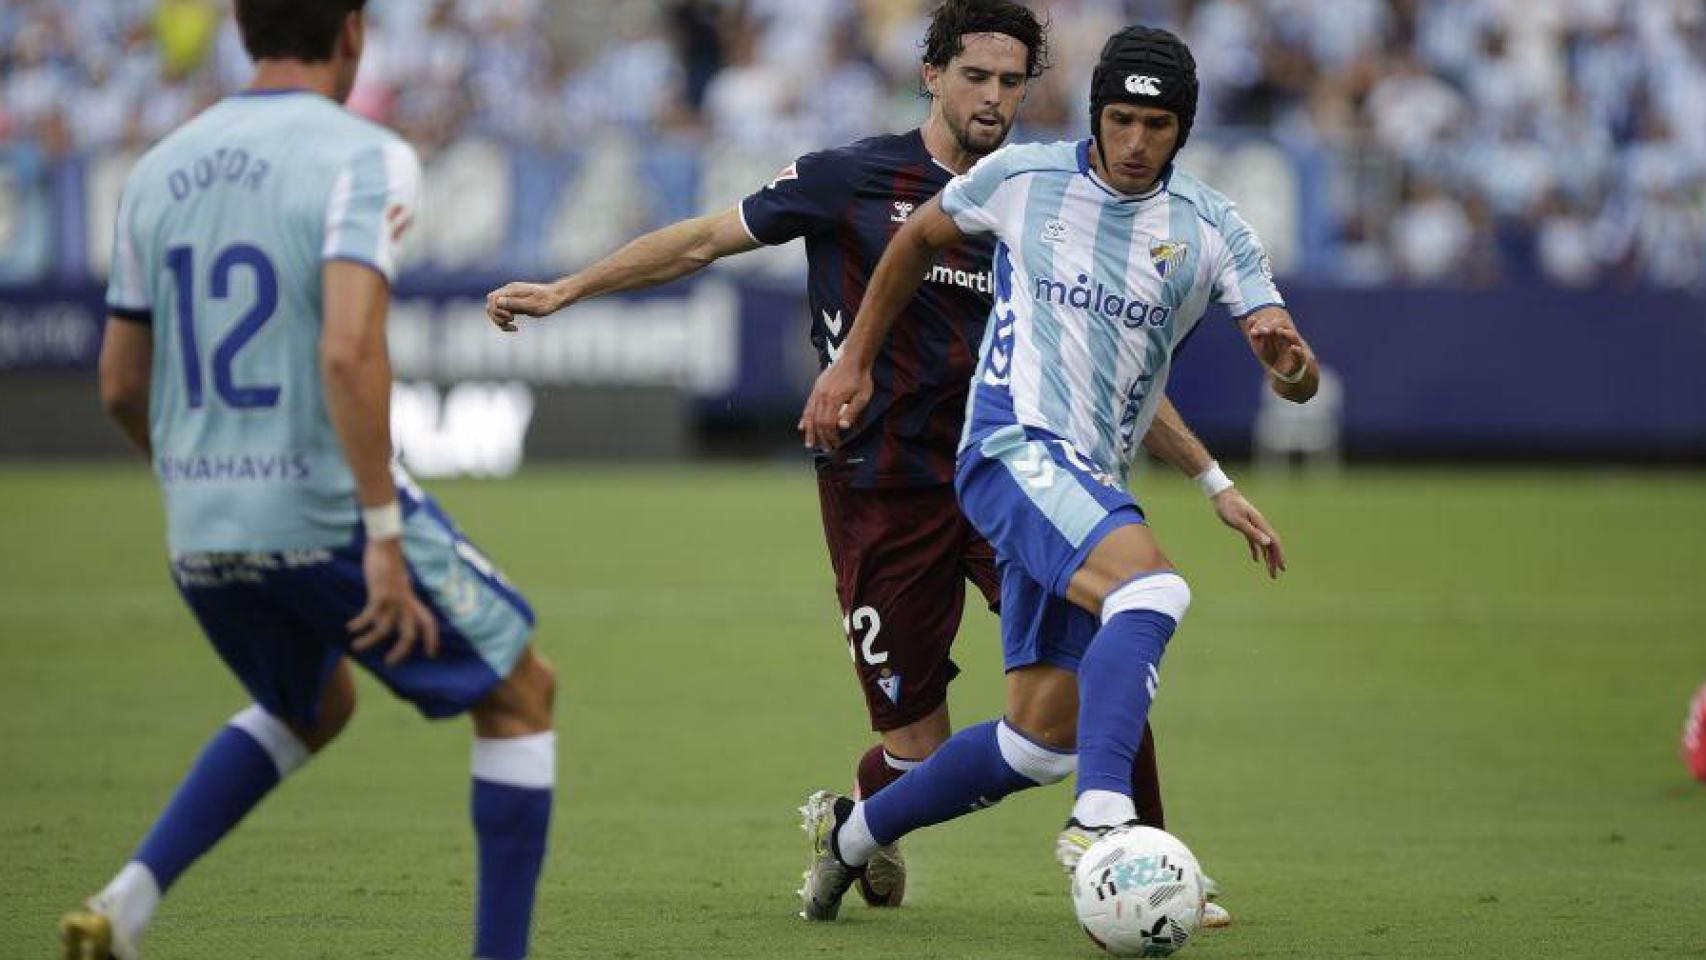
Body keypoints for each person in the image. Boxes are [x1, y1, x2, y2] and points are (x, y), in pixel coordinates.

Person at [487, 0, 1273, 919]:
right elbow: (702, 239)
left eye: (1010, 81)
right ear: (931, 75)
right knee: (919, 751)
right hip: (883, 489)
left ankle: (1143, 861)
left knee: (1108, 642)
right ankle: (861, 817)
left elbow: (1108, 376)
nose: (992, 97)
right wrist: (568, 289)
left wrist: (1209, 477)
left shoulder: (1047, 199)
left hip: (1014, 475)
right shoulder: (853, 178)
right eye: (974, 76)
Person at [60, 3, 556, 959]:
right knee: (520, 694)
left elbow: (120, 382)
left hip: (201, 522)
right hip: (323, 509)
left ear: (243, 30)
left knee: (313, 704)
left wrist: (201, 479)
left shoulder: (156, 168)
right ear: (354, 32)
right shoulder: (364, 156)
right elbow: (348, 346)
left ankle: (124, 904)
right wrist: (381, 535)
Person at [795, 23, 1319, 924]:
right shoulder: (1022, 179)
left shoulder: (1213, 228)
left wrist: (1289, 370)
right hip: (1011, 448)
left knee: (1035, 742)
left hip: (1091, 476)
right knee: (1151, 592)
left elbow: (1293, 372)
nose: (1135, 142)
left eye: (1156, 126)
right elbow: (913, 242)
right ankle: (1105, 825)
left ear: (1183, 130)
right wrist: (855, 361)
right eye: (1119, 120)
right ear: (1095, 113)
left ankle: (851, 837)